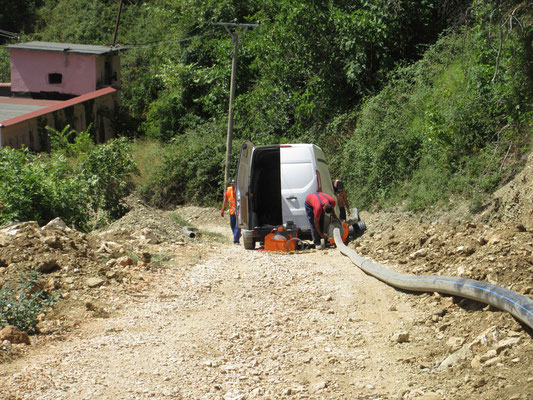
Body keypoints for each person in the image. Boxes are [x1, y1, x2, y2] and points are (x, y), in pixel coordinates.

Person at [221, 179, 241, 244]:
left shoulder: (239, 190)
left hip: (239, 211)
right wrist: (222, 209)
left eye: (234, 183)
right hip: (232, 211)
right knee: (232, 225)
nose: (232, 185)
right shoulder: (229, 189)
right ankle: (237, 235)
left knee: (237, 225)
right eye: (232, 183)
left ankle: (236, 240)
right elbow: (225, 199)